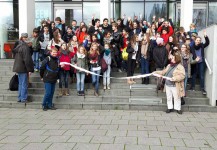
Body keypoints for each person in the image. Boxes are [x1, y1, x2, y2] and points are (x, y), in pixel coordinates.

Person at [12, 33, 34, 103]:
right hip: (23, 68)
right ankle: (23, 98)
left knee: (21, 83)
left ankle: (20, 98)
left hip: (18, 67)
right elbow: (27, 59)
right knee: (24, 83)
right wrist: (30, 69)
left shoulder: (18, 45)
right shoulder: (25, 47)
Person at [190, 30, 209, 95]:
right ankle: (192, 87)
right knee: (194, 74)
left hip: (201, 62)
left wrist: (205, 35)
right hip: (195, 62)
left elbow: (207, 42)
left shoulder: (202, 45)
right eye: (197, 40)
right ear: (195, 40)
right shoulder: (192, 47)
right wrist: (195, 59)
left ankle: (202, 88)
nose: (198, 41)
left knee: (201, 75)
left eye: (199, 40)